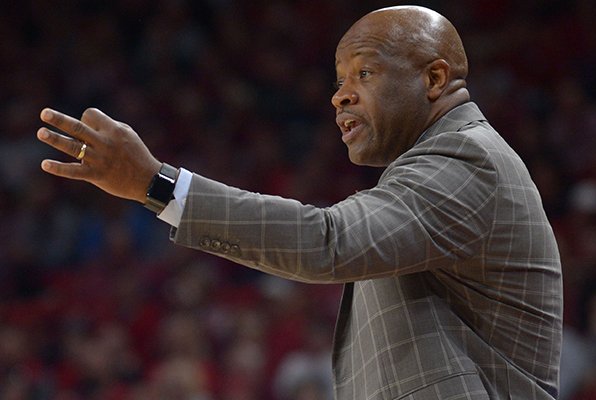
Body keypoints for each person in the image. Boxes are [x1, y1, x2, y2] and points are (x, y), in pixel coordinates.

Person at [36, 5, 562, 400]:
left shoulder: (466, 158)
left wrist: (159, 184)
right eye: (339, 81)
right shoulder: (439, 168)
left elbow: (326, 242)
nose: (340, 95)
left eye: (364, 73)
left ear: (434, 78)